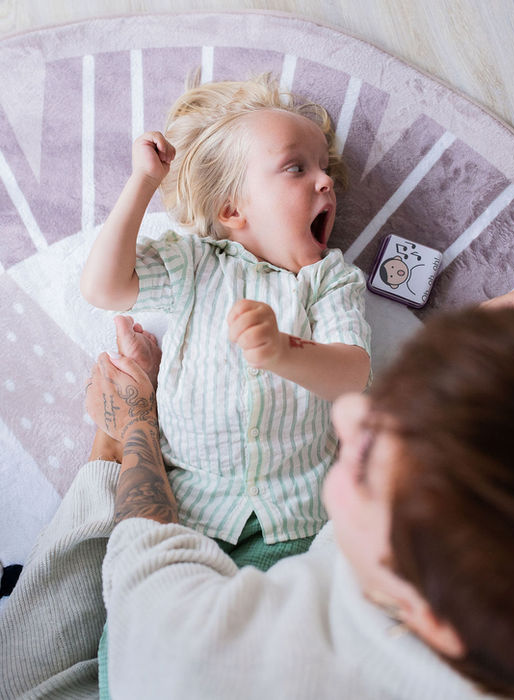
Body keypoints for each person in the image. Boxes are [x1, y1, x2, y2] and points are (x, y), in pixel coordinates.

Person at [2, 297, 514, 699]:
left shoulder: (198, 660)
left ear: (422, 618)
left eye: (365, 459)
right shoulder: (468, 588)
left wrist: (136, 423)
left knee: (20, 671)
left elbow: (144, 546)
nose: (346, 412)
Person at [80, 73, 371, 569]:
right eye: (296, 168)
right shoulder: (193, 263)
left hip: (297, 521)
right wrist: (142, 183)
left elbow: (352, 374)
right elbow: (103, 288)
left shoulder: (328, 279)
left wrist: (284, 351)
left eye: (324, 168)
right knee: (158, 612)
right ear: (232, 209)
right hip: (191, 515)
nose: (326, 181)